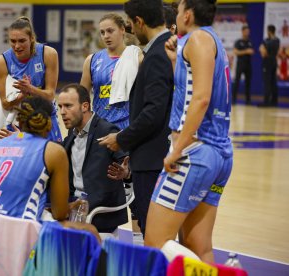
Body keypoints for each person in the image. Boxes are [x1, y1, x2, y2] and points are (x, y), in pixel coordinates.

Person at [146, 0, 233, 263]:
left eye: (180, 7)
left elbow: (201, 99)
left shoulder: (198, 39)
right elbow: (192, 89)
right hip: (218, 154)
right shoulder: (211, 41)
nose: (177, 11)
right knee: (199, 247)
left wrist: (178, 148)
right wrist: (176, 62)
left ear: (188, 14)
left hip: (195, 152)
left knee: (155, 242)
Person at [98, 0, 174, 236]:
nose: (130, 29)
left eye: (130, 24)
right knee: (149, 226)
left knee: (152, 230)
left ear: (139, 22)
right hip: (150, 155)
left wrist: (122, 138)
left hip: (151, 158)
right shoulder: (160, 51)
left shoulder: (157, 54)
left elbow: (153, 112)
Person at [0, 96, 68, 222]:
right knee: (87, 230)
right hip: (18, 229)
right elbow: (60, 214)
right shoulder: (53, 151)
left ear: (20, 121)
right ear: (49, 123)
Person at [58, 83, 128, 233]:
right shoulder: (72, 133)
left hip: (98, 212)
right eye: (60, 107)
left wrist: (126, 172)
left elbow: (128, 163)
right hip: (73, 208)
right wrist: (27, 140)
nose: (62, 112)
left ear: (84, 106)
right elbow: (55, 150)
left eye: (68, 106)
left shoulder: (107, 130)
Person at [0, 16, 62, 142]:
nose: (17, 46)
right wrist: (21, 96)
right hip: (18, 118)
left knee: (52, 154)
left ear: (31, 38)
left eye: (21, 41)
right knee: (20, 156)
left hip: (45, 115)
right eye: (13, 41)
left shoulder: (48, 54)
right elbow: (5, 104)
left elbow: (50, 95)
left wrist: (30, 88)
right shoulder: (2, 61)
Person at [80, 13, 142, 130]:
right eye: (102, 32)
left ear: (122, 30)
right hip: (100, 126)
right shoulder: (92, 60)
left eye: (110, 31)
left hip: (129, 127)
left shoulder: (137, 57)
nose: (106, 36)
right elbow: (82, 97)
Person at [232, 24, 254, 105]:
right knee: (236, 82)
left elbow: (252, 51)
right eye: (245, 31)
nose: (247, 33)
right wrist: (245, 51)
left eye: (248, 31)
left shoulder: (250, 42)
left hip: (248, 65)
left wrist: (250, 52)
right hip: (240, 64)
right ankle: (233, 100)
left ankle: (248, 100)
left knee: (248, 83)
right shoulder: (238, 42)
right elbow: (235, 51)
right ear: (242, 31)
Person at [259, 25, 280, 107]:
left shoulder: (266, 41)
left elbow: (263, 54)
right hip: (274, 61)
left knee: (267, 82)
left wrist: (261, 49)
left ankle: (266, 102)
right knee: (273, 82)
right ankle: (274, 101)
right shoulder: (277, 40)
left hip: (267, 62)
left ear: (269, 31)